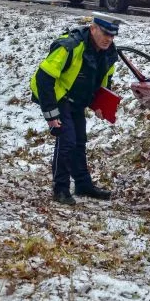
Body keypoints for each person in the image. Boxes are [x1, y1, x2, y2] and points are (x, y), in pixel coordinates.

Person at [30, 13, 123, 205]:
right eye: (105, 33)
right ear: (93, 29)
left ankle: (82, 185)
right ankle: (60, 189)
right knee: (67, 141)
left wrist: (100, 104)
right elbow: (43, 78)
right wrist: (51, 114)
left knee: (79, 140)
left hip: (77, 98)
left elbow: (105, 81)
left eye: (112, 35)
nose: (109, 39)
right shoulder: (70, 46)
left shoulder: (109, 52)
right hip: (57, 95)